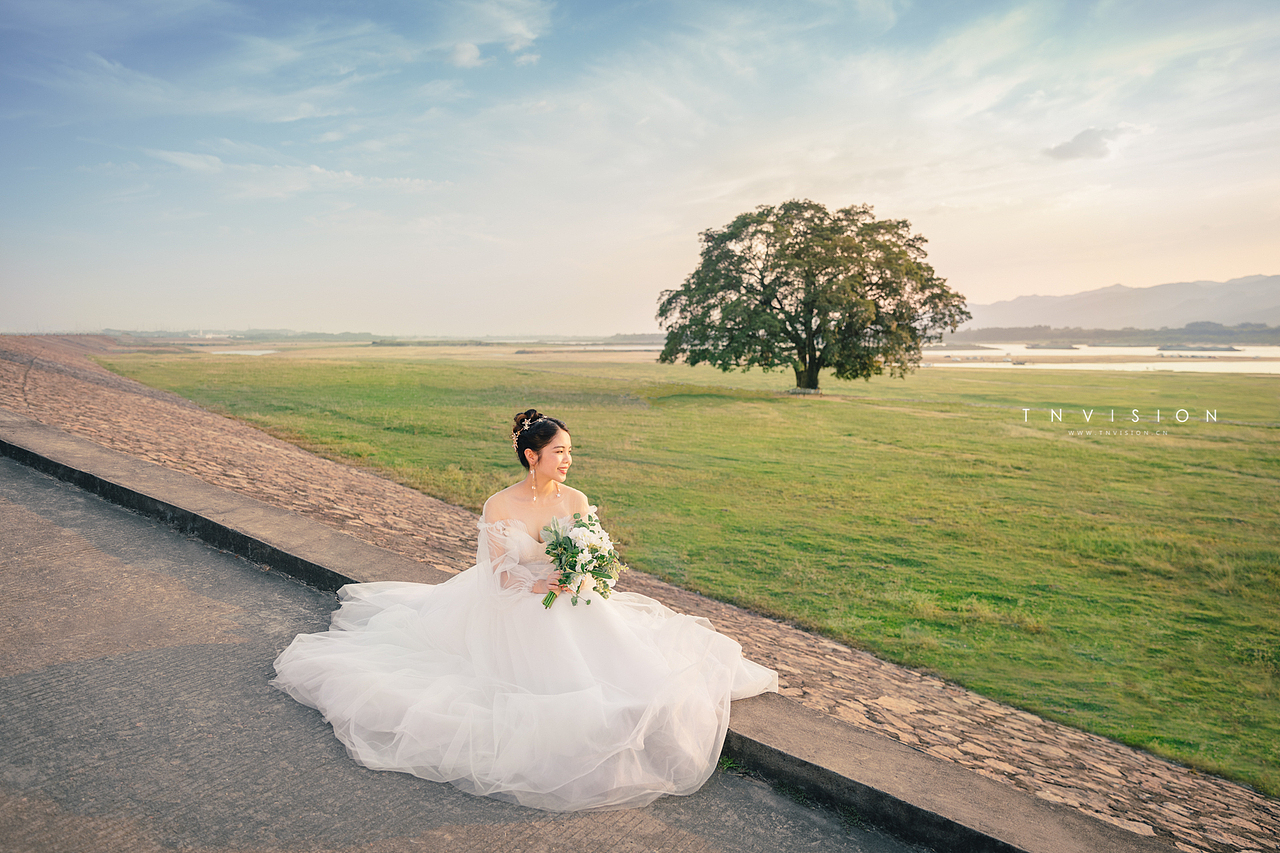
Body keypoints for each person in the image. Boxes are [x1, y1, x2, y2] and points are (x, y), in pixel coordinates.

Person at [270, 409, 777, 812]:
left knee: (615, 647)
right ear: (532, 456)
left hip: (572, 591)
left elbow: (591, 551)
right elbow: (497, 574)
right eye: (559, 451)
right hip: (515, 599)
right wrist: (537, 583)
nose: (568, 459)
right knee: (546, 628)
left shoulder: (576, 499)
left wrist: (579, 573)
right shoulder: (500, 505)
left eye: (570, 451)